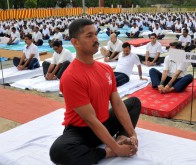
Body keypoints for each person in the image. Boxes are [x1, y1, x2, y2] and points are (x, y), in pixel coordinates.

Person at [49, 19, 141, 165]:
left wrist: (132, 133)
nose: (96, 39)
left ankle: (122, 136)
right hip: (82, 131)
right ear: (75, 42)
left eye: (96, 34)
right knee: (58, 152)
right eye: (89, 35)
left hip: (104, 123)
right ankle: (105, 151)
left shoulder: (106, 69)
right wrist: (115, 149)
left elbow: (116, 103)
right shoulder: (71, 77)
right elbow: (90, 120)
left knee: (134, 103)